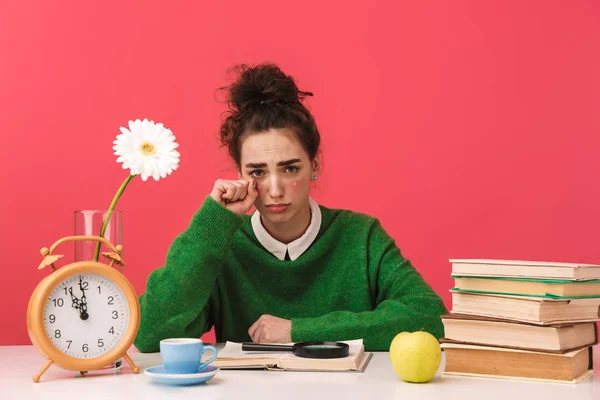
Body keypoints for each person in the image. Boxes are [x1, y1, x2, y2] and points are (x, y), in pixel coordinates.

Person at [133, 63, 447, 353]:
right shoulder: (222, 246)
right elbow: (149, 334)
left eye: (290, 169)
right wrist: (208, 227)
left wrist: (298, 331)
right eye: (257, 172)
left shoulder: (361, 237)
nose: (275, 189)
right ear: (241, 175)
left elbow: (432, 318)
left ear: (314, 165)